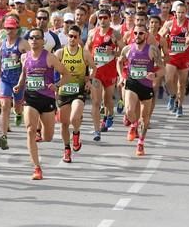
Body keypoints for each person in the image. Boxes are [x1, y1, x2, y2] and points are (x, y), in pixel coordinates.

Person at [13, 28, 70, 179]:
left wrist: (57, 85)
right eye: (32, 38)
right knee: (30, 130)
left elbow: (66, 74)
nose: (34, 40)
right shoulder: (24, 57)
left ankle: (42, 125)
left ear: (43, 41)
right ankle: (36, 167)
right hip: (30, 98)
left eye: (37, 38)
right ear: (28, 40)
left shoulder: (50, 57)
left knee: (48, 137)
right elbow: (24, 74)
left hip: (47, 100)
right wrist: (19, 85)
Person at [116, 24, 162, 156]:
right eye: (135, 33)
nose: (137, 36)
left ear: (146, 35)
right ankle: (134, 124)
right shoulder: (127, 49)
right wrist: (121, 77)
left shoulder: (152, 50)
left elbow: (162, 68)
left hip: (146, 86)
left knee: (145, 117)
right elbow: (119, 61)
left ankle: (141, 143)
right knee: (129, 110)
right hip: (132, 82)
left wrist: (155, 75)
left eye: (140, 33)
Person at [55, 25, 95, 162]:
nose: (72, 39)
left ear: (79, 39)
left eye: (75, 37)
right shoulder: (60, 53)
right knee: (64, 123)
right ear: (67, 37)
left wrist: (89, 80)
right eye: (70, 36)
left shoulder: (84, 53)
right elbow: (51, 68)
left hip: (79, 90)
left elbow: (93, 69)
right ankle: (67, 149)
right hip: (63, 91)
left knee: (74, 118)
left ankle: (76, 133)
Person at [86, 9, 123, 140]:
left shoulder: (115, 34)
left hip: (110, 72)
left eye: (105, 17)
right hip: (96, 73)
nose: (102, 20)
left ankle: (110, 115)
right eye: (100, 17)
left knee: (107, 100)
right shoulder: (92, 33)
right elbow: (86, 51)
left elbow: (124, 52)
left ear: (109, 19)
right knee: (96, 102)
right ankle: (97, 131)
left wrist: (113, 52)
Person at [0, 17, 30, 150]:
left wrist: (22, 60)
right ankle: (3, 136)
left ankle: (19, 113)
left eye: (12, 28)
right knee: (4, 106)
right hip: (4, 79)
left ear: (17, 29)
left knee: (17, 105)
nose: (9, 31)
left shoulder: (23, 44)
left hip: (18, 80)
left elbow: (31, 60)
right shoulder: (0, 43)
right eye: (7, 28)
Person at [159, 2, 189, 117]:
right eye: (178, 12)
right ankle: (173, 96)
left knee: (182, 83)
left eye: (183, 12)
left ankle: (179, 106)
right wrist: (165, 38)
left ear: (186, 13)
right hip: (172, 55)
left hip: (184, 56)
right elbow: (159, 36)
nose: (180, 14)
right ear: (175, 13)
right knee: (168, 80)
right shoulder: (169, 23)